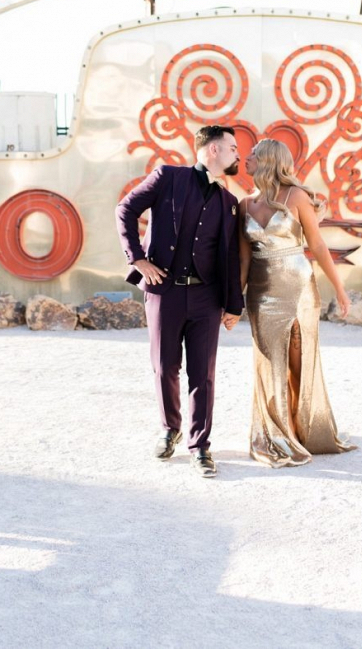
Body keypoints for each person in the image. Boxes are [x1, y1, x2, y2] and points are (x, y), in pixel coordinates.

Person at [115, 125, 243, 478]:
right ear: (213, 150)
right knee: (164, 366)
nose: (237, 154)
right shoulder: (167, 177)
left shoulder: (229, 203)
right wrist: (137, 259)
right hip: (164, 291)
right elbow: (125, 210)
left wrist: (234, 305)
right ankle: (169, 428)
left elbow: (230, 257)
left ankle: (200, 446)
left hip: (207, 296)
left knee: (204, 374)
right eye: (233, 147)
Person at [239, 138, 356, 468]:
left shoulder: (297, 196)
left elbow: (317, 245)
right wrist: (233, 302)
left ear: (268, 161)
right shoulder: (245, 205)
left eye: (252, 156)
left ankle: (299, 426)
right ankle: (276, 431)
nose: (245, 160)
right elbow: (244, 261)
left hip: (299, 287)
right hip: (261, 292)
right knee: (268, 360)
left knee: (297, 358)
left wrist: (340, 290)